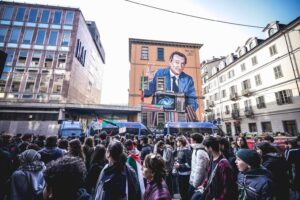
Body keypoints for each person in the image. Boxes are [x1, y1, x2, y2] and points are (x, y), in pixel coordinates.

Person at [188, 133, 210, 199]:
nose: (190, 141)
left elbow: (200, 170)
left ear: (194, 141)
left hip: (197, 182)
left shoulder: (200, 152)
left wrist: (195, 184)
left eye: (191, 139)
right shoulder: (196, 149)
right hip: (193, 180)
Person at [175, 136, 192, 200]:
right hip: (179, 173)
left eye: (177, 142)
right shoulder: (179, 150)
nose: (176, 143)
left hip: (186, 175)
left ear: (181, 142)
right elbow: (179, 160)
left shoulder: (187, 151)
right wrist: (177, 162)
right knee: (181, 190)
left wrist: (180, 165)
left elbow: (189, 164)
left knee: (184, 191)